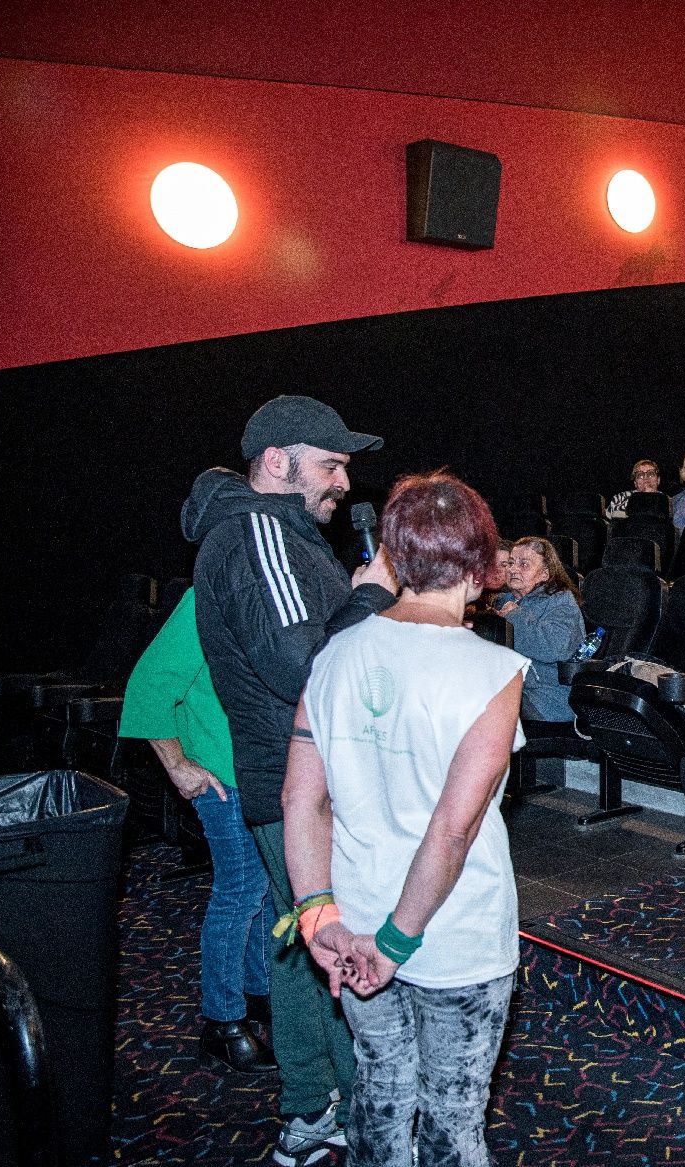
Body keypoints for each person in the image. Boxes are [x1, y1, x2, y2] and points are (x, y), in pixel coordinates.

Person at [281, 471, 526, 1167]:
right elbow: (453, 827)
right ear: (480, 565)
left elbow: (301, 799)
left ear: (392, 554)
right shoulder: (494, 671)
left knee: (380, 1093)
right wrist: (396, 941)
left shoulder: (335, 656)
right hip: (451, 936)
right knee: (453, 1118)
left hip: (352, 923)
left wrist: (317, 915)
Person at [182, 394, 396, 1163]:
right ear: (279, 462)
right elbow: (297, 662)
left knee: (303, 944)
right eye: (331, 463)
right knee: (337, 946)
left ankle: (312, 1110)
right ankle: (345, 1107)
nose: (343, 481)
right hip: (300, 782)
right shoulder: (257, 530)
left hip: (295, 776)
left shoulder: (277, 533)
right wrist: (372, 592)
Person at [119, 587, 275, 1075]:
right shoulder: (208, 595)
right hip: (222, 775)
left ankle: (259, 995)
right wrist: (178, 765)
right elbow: (148, 684)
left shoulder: (272, 591)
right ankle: (222, 1023)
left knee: (267, 891)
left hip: (262, 772)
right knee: (242, 890)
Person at [498, 536, 584, 737]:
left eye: (524, 564)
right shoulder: (504, 600)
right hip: (516, 692)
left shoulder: (561, 602)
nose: (513, 569)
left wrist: (514, 616)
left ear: (545, 574)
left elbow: (555, 647)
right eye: (511, 563)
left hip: (546, 698)